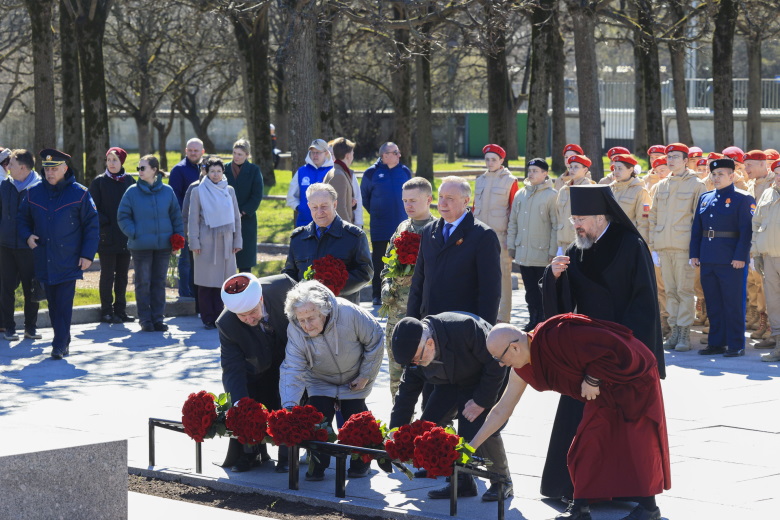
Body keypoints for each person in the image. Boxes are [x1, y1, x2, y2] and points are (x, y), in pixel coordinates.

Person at [472, 315, 670, 520]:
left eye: (499, 358)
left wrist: (593, 378)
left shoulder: (558, 334)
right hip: (604, 393)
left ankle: (649, 509)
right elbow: (501, 410)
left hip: (633, 376)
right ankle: (580, 511)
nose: (501, 365)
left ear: (514, 348)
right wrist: (471, 447)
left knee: (638, 445)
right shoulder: (521, 369)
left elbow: (615, 345)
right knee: (585, 448)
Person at [541, 184, 664, 502]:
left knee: (622, 424)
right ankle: (571, 487)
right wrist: (553, 278)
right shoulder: (577, 247)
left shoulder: (631, 244)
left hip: (624, 348)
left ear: (600, 216)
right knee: (578, 416)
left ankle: (622, 490)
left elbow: (644, 305)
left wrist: (624, 354)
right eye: (573, 220)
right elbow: (565, 305)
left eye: (580, 218)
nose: (576, 225)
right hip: (588, 349)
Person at [390, 312, 512, 502]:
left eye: (417, 359)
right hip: (450, 379)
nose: (415, 365)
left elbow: (496, 365)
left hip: (486, 376)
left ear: (430, 343)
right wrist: (395, 433)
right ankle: (461, 479)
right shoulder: (415, 355)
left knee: (478, 424)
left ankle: (502, 481)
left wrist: (481, 401)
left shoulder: (465, 328)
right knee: (431, 423)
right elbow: (406, 394)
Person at [279, 280, 384, 481]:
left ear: (324, 311)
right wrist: (290, 406)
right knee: (317, 418)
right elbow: (292, 368)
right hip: (320, 379)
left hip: (355, 376)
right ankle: (317, 466)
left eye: (311, 318)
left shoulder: (349, 312)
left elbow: (375, 339)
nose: (306, 326)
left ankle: (360, 464)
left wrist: (365, 375)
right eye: (301, 320)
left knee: (357, 418)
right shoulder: (295, 330)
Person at [18, 149, 99, 359]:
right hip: (44, 258)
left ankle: (59, 344)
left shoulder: (80, 193)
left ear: (65, 168)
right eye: (46, 169)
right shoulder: (33, 192)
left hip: (69, 259)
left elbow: (92, 226)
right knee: (53, 304)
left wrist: (87, 255)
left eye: (54, 169)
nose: (49, 173)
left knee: (64, 303)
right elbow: (22, 219)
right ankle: (63, 340)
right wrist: (27, 235)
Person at [217, 272, 296, 473]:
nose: (248, 319)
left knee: (290, 397)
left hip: (295, 357)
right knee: (247, 398)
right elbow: (232, 369)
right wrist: (239, 406)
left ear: (260, 299)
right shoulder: (226, 323)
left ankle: (289, 454)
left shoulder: (283, 288)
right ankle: (250, 451)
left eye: (252, 312)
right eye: (241, 316)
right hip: (259, 366)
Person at [407, 176, 502, 325]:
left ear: (466, 201)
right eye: (440, 197)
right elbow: (418, 282)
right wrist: (411, 323)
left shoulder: (483, 235)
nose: (442, 203)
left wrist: (485, 332)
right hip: (428, 323)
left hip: (462, 327)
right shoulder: (428, 231)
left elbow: (490, 292)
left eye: (450, 198)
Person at [690, 158, 754, 357]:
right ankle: (716, 343)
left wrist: (741, 256)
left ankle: (736, 344)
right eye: (714, 174)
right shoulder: (706, 197)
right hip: (708, 258)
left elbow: (746, 231)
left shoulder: (743, 198)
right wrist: (694, 254)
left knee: (733, 303)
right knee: (713, 302)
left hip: (731, 259)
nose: (716, 178)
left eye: (721, 174)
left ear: (732, 176)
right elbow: (697, 229)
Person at [380, 177, 436, 399]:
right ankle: (400, 422)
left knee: (427, 371)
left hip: (424, 314)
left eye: (413, 200)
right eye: (405, 201)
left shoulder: (436, 230)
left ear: (429, 199)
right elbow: (387, 263)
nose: (408, 205)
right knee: (396, 372)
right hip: (396, 314)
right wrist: (385, 285)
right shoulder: (402, 227)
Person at [649, 143, 705, 352]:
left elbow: (698, 220)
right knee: (670, 291)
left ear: (685, 160)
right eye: (668, 157)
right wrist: (654, 246)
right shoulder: (661, 186)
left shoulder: (696, 185)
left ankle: (684, 333)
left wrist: (695, 249)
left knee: (684, 291)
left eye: (675, 157)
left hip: (684, 248)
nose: (670, 160)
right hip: (664, 247)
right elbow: (653, 217)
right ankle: (673, 330)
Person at [118, 155, 183, 333]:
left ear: (154, 170)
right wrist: (135, 233)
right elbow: (123, 216)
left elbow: (176, 216)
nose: (139, 171)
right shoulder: (131, 191)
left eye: (142, 168)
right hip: (141, 247)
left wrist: (178, 238)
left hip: (163, 246)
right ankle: (145, 319)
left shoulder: (167, 191)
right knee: (143, 282)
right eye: (139, 168)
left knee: (159, 282)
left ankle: (158, 318)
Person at [282, 183, 372, 305]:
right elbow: (289, 275)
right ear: (309, 206)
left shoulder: (354, 236)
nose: (319, 212)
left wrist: (333, 287)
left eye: (324, 206)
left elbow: (365, 273)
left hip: (342, 309)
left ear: (334, 204)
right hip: (306, 312)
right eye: (314, 207)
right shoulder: (298, 238)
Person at [189, 156, 242, 329]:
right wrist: (194, 242)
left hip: (226, 241)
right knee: (205, 283)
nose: (216, 174)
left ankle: (220, 317)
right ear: (206, 172)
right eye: (212, 171)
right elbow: (193, 218)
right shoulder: (198, 191)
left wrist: (237, 239)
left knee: (223, 282)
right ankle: (207, 318)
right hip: (206, 241)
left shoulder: (230, 190)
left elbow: (236, 217)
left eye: (219, 171)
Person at [507, 158, 558, 332]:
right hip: (524, 252)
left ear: (545, 173)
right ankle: (532, 319)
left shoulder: (552, 195)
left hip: (542, 254)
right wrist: (511, 244)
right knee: (529, 292)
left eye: (536, 171)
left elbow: (555, 225)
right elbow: (513, 221)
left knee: (542, 291)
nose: (531, 174)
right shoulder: (520, 194)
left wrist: (553, 251)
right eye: (530, 170)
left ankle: (543, 321)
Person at [360, 142, 412, 305]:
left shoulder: (404, 171)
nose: (399, 155)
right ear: (385, 156)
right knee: (380, 261)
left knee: (403, 260)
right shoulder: (371, 173)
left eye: (398, 152)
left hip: (402, 226)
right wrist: (378, 213)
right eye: (395, 152)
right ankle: (377, 294)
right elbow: (365, 199)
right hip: (380, 227)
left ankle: (402, 294)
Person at [89, 147, 136, 324]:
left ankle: (121, 311)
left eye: (115, 160)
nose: (111, 163)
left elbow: (134, 205)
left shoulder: (129, 181)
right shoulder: (99, 182)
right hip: (107, 237)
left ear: (122, 162)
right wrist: (105, 220)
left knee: (123, 275)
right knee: (107, 274)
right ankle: (106, 311)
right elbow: (92, 208)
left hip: (125, 236)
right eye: (109, 160)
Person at [473, 144, 519, 323]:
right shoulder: (480, 180)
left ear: (501, 160)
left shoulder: (510, 181)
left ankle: (503, 317)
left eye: (494, 159)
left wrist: (511, 238)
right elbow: (475, 207)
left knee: (503, 277)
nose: (490, 162)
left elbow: (513, 212)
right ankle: (482, 313)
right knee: (479, 274)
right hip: (479, 236)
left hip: (501, 237)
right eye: (487, 159)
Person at [0, 150, 41, 341]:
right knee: (6, 288)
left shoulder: (39, 188)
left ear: (23, 168)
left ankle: (30, 328)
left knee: (30, 289)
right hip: (5, 246)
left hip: (29, 249)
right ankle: (9, 327)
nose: (7, 167)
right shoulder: (4, 186)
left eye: (12, 165)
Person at [169, 138, 205, 299]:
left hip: (203, 223)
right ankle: (185, 293)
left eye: (196, 150)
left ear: (202, 152)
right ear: (185, 151)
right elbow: (175, 197)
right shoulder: (179, 170)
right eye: (190, 150)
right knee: (185, 259)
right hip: (185, 221)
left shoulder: (207, 169)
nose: (193, 153)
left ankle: (197, 291)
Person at [743, 150, 773, 339]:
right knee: (756, 283)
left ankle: (771, 324)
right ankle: (762, 319)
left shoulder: (773, 184)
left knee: (769, 286)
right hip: (752, 242)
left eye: (750, 165)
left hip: (769, 243)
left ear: (763, 164)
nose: (746, 169)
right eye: (745, 165)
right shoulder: (749, 186)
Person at [753, 159, 780, 360]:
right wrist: (757, 253)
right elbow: (757, 224)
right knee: (773, 302)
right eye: (777, 173)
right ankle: (778, 343)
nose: (779, 177)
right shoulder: (768, 194)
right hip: (769, 257)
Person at [225, 139, 263, 273]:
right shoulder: (224, 169)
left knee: (245, 258)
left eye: (240, 154)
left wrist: (243, 212)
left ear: (247, 155)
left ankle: (245, 288)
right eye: (234, 153)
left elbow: (257, 194)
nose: (236, 156)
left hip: (246, 220)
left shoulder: (254, 170)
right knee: (226, 257)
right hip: (225, 219)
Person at [286, 139, 334, 227]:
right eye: (312, 152)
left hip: (328, 224)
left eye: (318, 152)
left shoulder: (333, 171)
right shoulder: (302, 171)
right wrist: (301, 208)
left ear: (326, 153)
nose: (315, 155)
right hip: (304, 223)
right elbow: (291, 196)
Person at [555, 155, 596, 254]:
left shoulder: (590, 189)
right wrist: (559, 245)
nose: (572, 170)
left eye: (576, 167)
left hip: (582, 242)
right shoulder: (564, 190)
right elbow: (558, 216)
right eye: (570, 167)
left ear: (585, 169)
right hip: (564, 242)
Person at [609, 154, 651, 243]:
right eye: (615, 168)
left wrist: (642, 244)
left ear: (630, 170)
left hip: (628, 241)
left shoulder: (639, 191)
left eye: (620, 168)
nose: (616, 172)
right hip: (610, 239)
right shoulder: (610, 189)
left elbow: (643, 222)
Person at [323, 137, 358, 224]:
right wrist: (349, 230)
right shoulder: (338, 175)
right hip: (339, 232)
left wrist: (349, 202)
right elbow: (339, 208)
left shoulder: (338, 171)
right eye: (352, 153)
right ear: (348, 156)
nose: (353, 157)